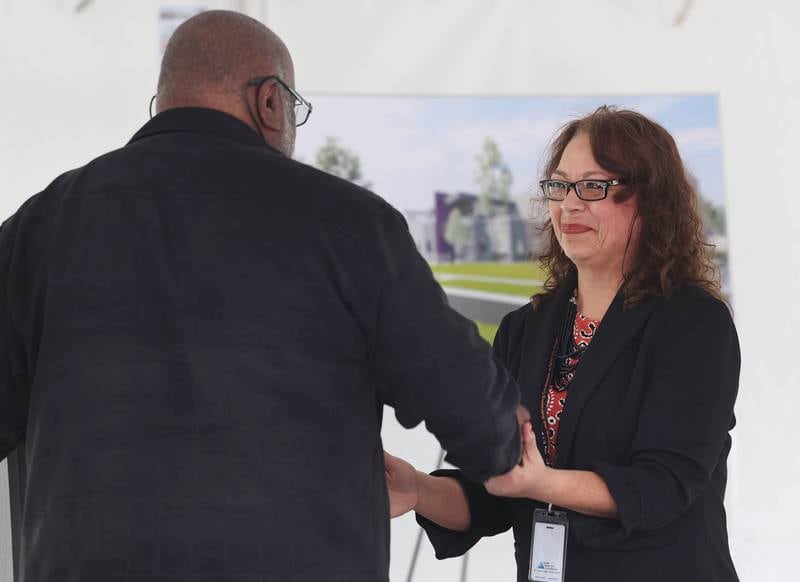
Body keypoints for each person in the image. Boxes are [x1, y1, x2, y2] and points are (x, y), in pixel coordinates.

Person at [0, 10, 527, 581]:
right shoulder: (349, 223)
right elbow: (470, 407)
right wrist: (509, 444)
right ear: (270, 102)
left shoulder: (39, 227)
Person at [385, 106, 741, 581]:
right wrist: (418, 490)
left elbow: (664, 485)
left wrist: (542, 482)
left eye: (594, 187)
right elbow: (492, 491)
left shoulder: (694, 323)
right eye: (559, 185)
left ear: (652, 200)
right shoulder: (524, 330)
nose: (569, 205)